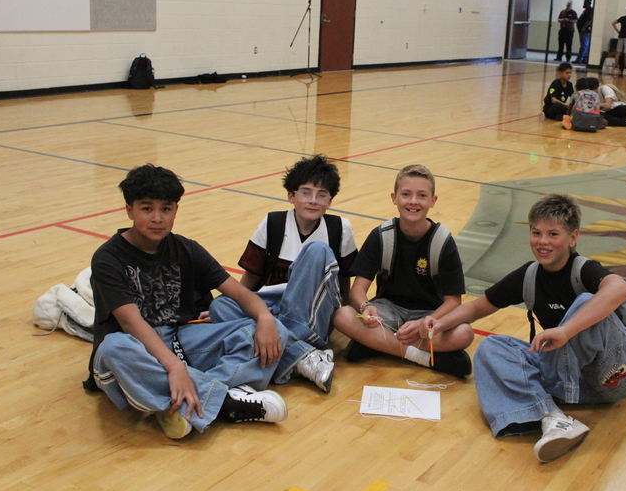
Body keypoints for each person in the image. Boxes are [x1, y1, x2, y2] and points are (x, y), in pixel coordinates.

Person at [425, 194, 626, 462]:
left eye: (553, 234)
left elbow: (620, 288)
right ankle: (551, 418)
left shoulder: (585, 270)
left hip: (613, 376)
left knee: (586, 302)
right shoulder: (530, 275)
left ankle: (540, 407)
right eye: (536, 233)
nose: (542, 241)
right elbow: (475, 308)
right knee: (491, 347)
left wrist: (566, 331)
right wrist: (438, 323)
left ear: (573, 238)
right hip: (567, 382)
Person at [84, 164, 292, 440]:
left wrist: (265, 318)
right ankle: (224, 402)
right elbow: (130, 323)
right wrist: (174, 367)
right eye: (146, 208)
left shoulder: (186, 248)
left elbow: (240, 293)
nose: (157, 218)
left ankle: (183, 401)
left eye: (166, 209)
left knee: (275, 329)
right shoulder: (108, 258)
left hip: (181, 341)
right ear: (129, 210)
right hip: (135, 348)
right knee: (113, 348)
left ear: (176, 211)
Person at [207, 154, 357, 393]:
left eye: (321, 195)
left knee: (317, 250)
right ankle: (300, 356)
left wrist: (353, 324)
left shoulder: (340, 228)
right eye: (306, 192)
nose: (313, 200)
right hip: (271, 310)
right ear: (291, 196)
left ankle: (274, 343)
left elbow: (343, 286)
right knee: (220, 306)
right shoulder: (272, 223)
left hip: (311, 317)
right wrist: (233, 306)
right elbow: (251, 279)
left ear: (330, 201)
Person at [332, 165, 474, 377]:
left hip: (428, 315)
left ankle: (377, 345)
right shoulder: (381, 236)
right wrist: (365, 307)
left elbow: (453, 301)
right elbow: (357, 291)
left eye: (422, 195)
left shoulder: (443, 242)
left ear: (433, 201)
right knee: (342, 315)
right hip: (387, 312)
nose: (413, 201)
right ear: (394, 198)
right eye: (406, 194)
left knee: (465, 333)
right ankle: (422, 357)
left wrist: (424, 323)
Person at [574, 0, 593, 64]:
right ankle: (584, 59)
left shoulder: (589, 10)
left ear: (587, 3)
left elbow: (589, 20)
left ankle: (579, 59)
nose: (583, 3)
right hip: (583, 30)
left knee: (584, 45)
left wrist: (583, 28)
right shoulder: (587, 10)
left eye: (584, 2)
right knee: (585, 45)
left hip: (585, 31)